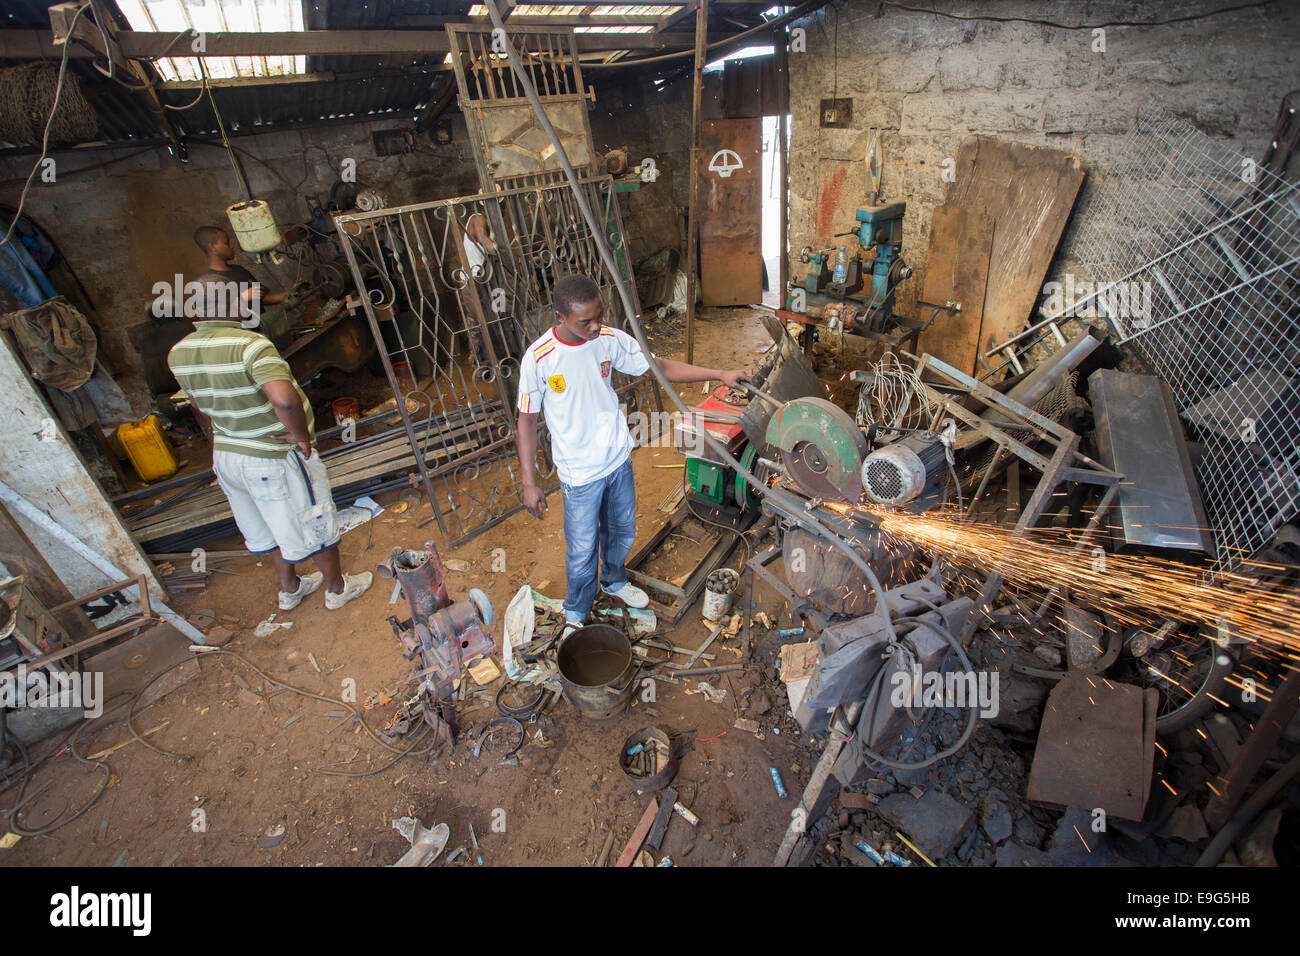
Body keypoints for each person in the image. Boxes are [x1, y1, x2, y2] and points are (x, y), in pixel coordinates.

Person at [515, 274, 749, 632]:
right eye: (585, 321)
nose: (595, 326)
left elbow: (660, 367)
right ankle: (576, 613)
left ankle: (614, 581)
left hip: (618, 460)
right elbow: (527, 421)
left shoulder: (607, 338)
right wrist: (529, 482)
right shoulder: (540, 358)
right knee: (581, 552)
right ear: (560, 317)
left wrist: (719, 373)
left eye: (599, 315)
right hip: (579, 475)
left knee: (622, 531)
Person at [167, 233, 372, 613]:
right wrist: (301, 439)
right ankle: (337, 588)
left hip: (228, 457)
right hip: (273, 454)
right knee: (314, 518)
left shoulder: (179, 354)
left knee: (263, 525)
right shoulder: (250, 345)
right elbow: (283, 398)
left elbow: (198, 403)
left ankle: (291, 588)